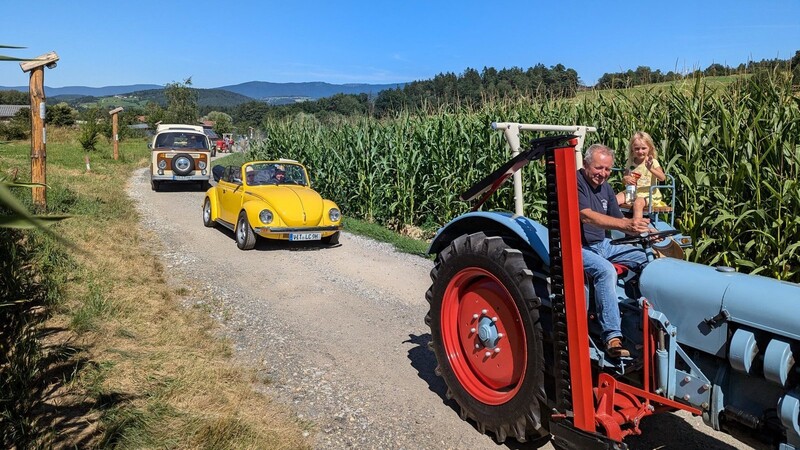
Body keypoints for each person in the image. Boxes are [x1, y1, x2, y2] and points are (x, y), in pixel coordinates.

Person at [578, 144, 651, 358]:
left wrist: (642, 226)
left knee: (646, 259)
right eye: (599, 168)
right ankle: (612, 336)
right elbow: (587, 216)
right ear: (585, 165)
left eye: (608, 170)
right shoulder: (576, 182)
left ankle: (642, 319)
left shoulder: (606, 187)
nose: (603, 174)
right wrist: (627, 226)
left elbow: (618, 219)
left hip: (602, 244)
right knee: (606, 271)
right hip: (578, 246)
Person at [615, 131, 666, 220]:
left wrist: (651, 169)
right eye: (637, 149)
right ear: (632, 149)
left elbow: (662, 178)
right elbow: (624, 178)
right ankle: (616, 222)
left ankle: (636, 224)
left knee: (638, 203)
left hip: (648, 194)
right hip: (632, 192)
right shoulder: (630, 162)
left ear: (649, 148)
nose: (640, 151)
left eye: (643, 148)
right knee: (614, 199)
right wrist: (626, 179)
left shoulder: (653, 162)